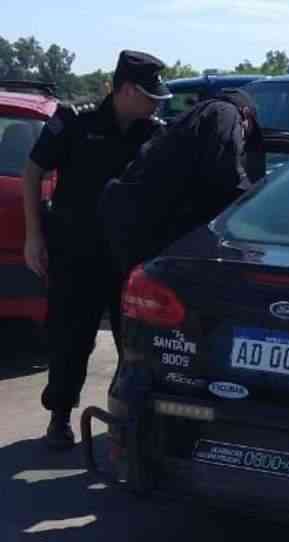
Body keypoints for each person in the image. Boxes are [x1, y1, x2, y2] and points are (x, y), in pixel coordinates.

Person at [22, 50, 169, 450]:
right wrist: (33, 237)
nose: (157, 104)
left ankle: (126, 422)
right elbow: (32, 171)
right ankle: (59, 416)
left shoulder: (155, 133)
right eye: (150, 96)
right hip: (76, 254)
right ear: (126, 90)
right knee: (70, 339)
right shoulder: (75, 120)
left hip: (128, 260)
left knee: (134, 346)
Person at [100, 89, 264, 277]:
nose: (245, 140)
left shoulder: (200, 114)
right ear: (246, 114)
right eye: (247, 134)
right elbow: (227, 175)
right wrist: (252, 208)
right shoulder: (227, 113)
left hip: (131, 211)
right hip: (144, 220)